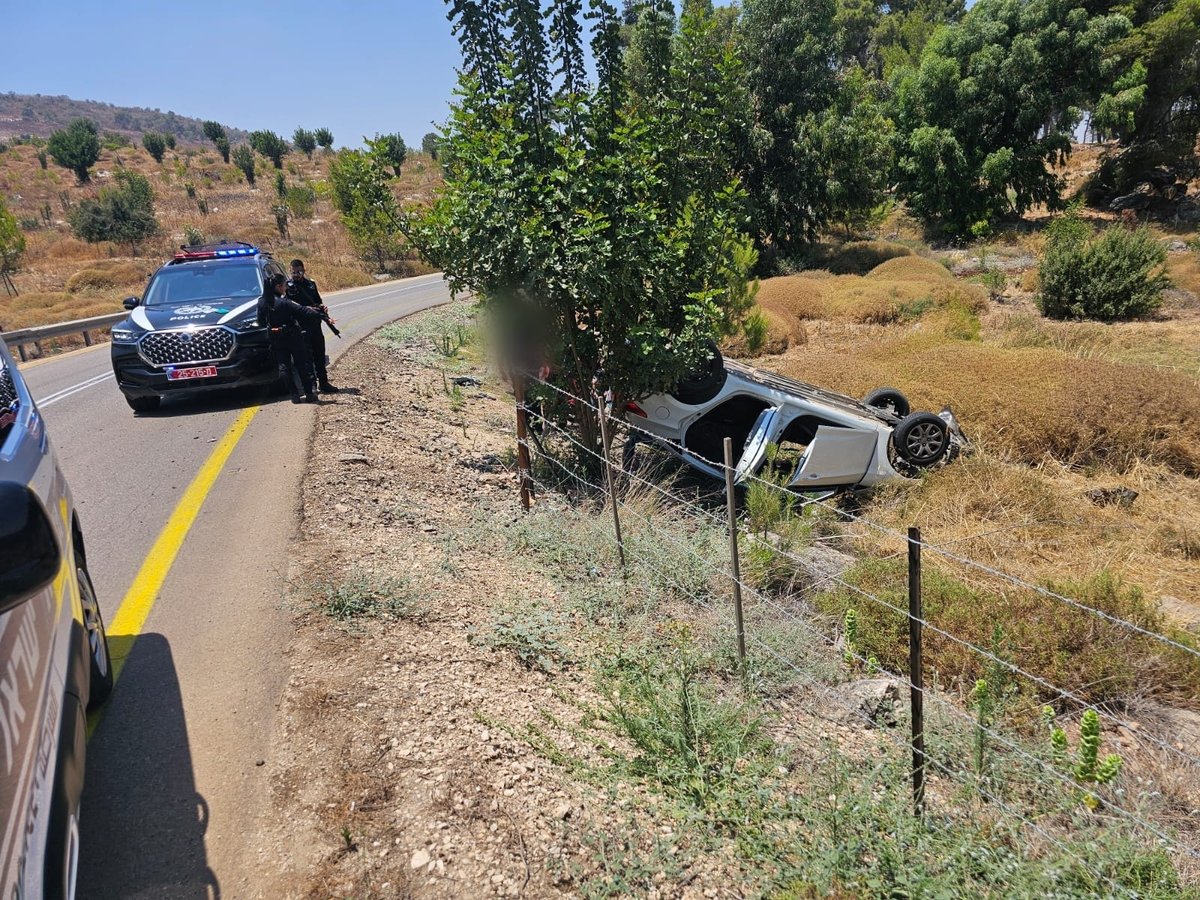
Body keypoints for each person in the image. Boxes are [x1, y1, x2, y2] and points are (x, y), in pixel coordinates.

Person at [258, 273, 323, 403]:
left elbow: (260, 322)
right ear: (278, 286)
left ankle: (294, 395)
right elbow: (303, 311)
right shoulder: (284, 302)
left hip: (276, 338)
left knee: (284, 367)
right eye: (284, 285)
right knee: (301, 365)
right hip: (292, 336)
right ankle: (309, 394)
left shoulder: (262, 302)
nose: (286, 288)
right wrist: (320, 314)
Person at [287, 259, 338, 393]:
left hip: (315, 324)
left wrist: (322, 308)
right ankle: (312, 385)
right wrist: (306, 309)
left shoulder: (311, 284)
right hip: (300, 326)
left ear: (304, 270)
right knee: (307, 358)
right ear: (290, 271)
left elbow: (318, 301)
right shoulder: (288, 287)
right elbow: (289, 307)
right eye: (294, 272)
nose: (297, 274)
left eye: (299, 271)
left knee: (319, 355)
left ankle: (324, 382)